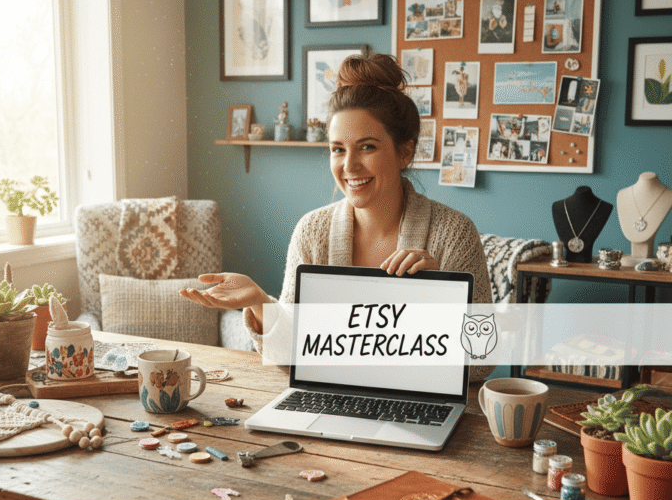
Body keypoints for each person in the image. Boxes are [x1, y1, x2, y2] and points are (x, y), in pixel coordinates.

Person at [180, 51, 493, 380]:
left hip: (417, 406)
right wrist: (260, 303)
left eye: (367, 147)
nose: (349, 166)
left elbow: (481, 363)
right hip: (331, 401)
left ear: (405, 152)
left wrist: (438, 297)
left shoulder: (455, 233)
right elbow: (293, 354)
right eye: (338, 149)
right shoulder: (312, 231)